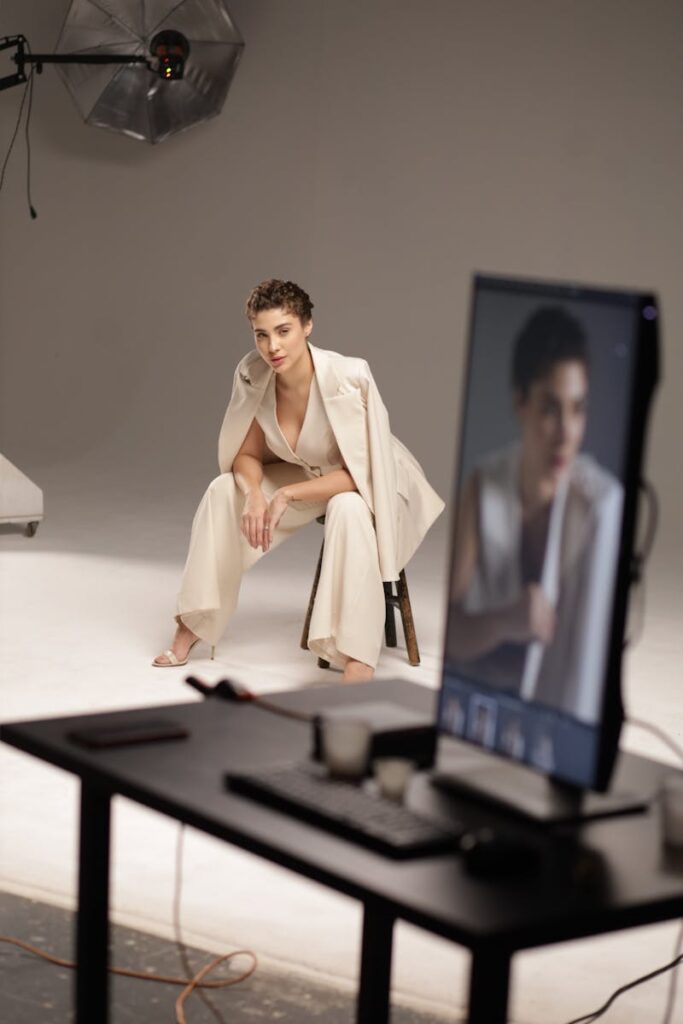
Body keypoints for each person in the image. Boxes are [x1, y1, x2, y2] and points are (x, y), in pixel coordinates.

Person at [154, 279, 444, 681]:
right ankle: (192, 625)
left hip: (370, 480)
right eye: (262, 334)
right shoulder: (254, 374)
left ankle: (357, 656)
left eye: (284, 331)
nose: (273, 346)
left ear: (307, 326)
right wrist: (255, 494)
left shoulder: (349, 377)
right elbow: (247, 453)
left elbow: (361, 476)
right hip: (311, 470)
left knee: (348, 508)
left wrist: (286, 494)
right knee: (224, 491)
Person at [447, 306, 623, 723]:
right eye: (550, 408)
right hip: (479, 708)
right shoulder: (484, 485)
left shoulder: (599, 506)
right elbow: (449, 633)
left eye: (578, 409)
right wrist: (505, 621)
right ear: (520, 401)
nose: (566, 433)